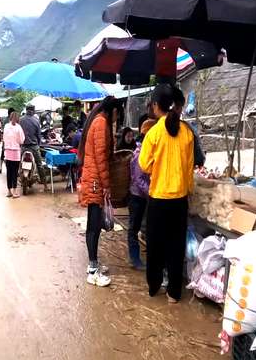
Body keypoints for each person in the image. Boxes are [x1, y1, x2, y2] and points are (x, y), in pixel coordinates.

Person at [139, 84, 195, 304]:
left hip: (159, 199)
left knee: (155, 246)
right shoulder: (188, 133)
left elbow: (144, 165)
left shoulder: (153, 133)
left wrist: (159, 168)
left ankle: (154, 287)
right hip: (180, 199)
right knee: (175, 246)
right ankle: (174, 293)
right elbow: (189, 168)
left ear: (155, 106)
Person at [78, 96, 122, 288]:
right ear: (112, 111)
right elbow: (101, 158)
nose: (116, 119)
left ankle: (93, 264)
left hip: (94, 179)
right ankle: (92, 269)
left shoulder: (98, 121)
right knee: (94, 226)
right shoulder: (101, 123)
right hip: (95, 181)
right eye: (117, 115)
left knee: (94, 225)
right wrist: (106, 185)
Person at [127, 123, 152, 270]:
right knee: (134, 228)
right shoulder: (139, 155)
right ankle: (135, 259)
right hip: (137, 197)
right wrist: (152, 192)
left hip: (144, 196)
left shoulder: (146, 153)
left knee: (145, 227)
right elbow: (138, 180)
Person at [171, 87, 206, 167]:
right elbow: (199, 160)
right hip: (184, 177)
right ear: (179, 108)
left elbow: (144, 164)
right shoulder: (188, 130)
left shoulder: (152, 132)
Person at [19, 104, 47, 191]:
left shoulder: (20, 120)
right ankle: (45, 185)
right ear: (33, 111)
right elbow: (39, 135)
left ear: (26, 110)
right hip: (34, 147)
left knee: (18, 164)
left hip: (23, 147)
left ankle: (18, 179)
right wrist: (38, 144)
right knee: (39, 165)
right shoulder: (36, 120)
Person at [3, 110, 25, 198]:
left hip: (8, 152)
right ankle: (14, 192)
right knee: (15, 173)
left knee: (9, 172)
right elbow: (21, 140)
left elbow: (4, 138)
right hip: (15, 152)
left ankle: (9, 191)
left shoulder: (6, 126)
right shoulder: (18, 127)